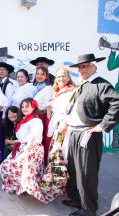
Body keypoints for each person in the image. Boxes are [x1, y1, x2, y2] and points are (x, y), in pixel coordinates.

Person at [62, 54, 119, 216]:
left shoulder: (100, 84)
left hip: (87, 133)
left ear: (94, 67)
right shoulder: (82, 85)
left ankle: (88, 209)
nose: (82, 69)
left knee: (86, 172)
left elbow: (116, 103)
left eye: (86, 66)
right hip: (74, 132)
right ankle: (77, 199)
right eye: (80, 67)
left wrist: (102, 126)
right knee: (74, 168)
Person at [0, 98, 46, 202]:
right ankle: (20, 185)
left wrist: (26, 151)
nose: (24, 109)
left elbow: (33, 137)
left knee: (18, 167)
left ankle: (26, 187)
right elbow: (21, 138)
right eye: (23, 107)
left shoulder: (36, 120)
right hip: (23, 146)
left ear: (33, 107)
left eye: (27, 106)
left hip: (32, 148)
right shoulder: (25, 120)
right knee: (5, 165)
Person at [40, 67, 74, 203]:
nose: (61, 79)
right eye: (59, 76)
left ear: (68, 77)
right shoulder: (56, 91)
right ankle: (59, 184)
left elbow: (71, 109)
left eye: (64, 76)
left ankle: (67, 187)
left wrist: (64, 124)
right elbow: (50, 107)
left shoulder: (72, 90)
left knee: (63, 156)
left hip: (64, 127)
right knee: (56, 156)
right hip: (56, 126)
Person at [33, 66, 53, 164]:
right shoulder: (37, 87)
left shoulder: (48, 88)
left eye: (42, 74)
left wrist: (48, 123)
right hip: (36, 118)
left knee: (44, 141)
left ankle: (45, 165)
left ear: (46, 76)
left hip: (43, 118)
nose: (39, 76)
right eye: (38, 74)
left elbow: (49, 107)